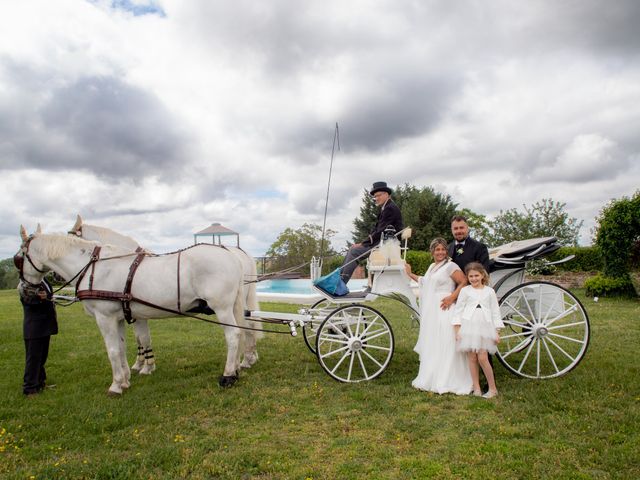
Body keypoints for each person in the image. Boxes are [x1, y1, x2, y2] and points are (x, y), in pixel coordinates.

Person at [405, 238, 472, 395]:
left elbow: (464, 282)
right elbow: (425, 282)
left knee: (446, 341)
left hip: (445, 307)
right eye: (437, 250)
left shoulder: (451, 266)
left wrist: (452, 297)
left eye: (443, 249)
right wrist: (409, 274)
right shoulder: (431, 267)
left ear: (446, 251)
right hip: (432, 311)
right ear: (432, 252)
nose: (440, 252)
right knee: (434, 341)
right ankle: (432, 376)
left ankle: (449, 378)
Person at [452, 262, 504, 398]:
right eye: (471, 276)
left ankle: (492, 388)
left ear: (482, 275)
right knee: (472, 358)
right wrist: (458, 330)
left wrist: (497, 331)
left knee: (483, 357)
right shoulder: (465, 291)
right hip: (468, 326)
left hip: (485, 327)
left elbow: (495, 312)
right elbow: (458, 311)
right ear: (468, 277)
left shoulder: (489, 291)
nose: (474, 279)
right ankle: (477, 388)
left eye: (476, 275)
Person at [340, 181, 403, 285]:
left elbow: (379, 232)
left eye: (378, 195)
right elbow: (377, 230)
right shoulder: (386, 208)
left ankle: (341, 283)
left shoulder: (389, 209)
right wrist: (363, 242)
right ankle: (339, 280)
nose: (376, 198)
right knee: (352, 249)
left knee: (354, 251)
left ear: (386, 194)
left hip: (386, 245)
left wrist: (363, 243)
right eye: (375, 196)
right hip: (382, 242)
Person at [19, 278, 58, 396]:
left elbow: (47, 295)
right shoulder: (26, 283)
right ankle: (29, 388)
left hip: (44, 325)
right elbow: (26, 300)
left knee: (41, 357)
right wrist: (39, 298)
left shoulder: (43, 280)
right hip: (34, 327)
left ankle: (40, 382)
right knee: (33, 358)